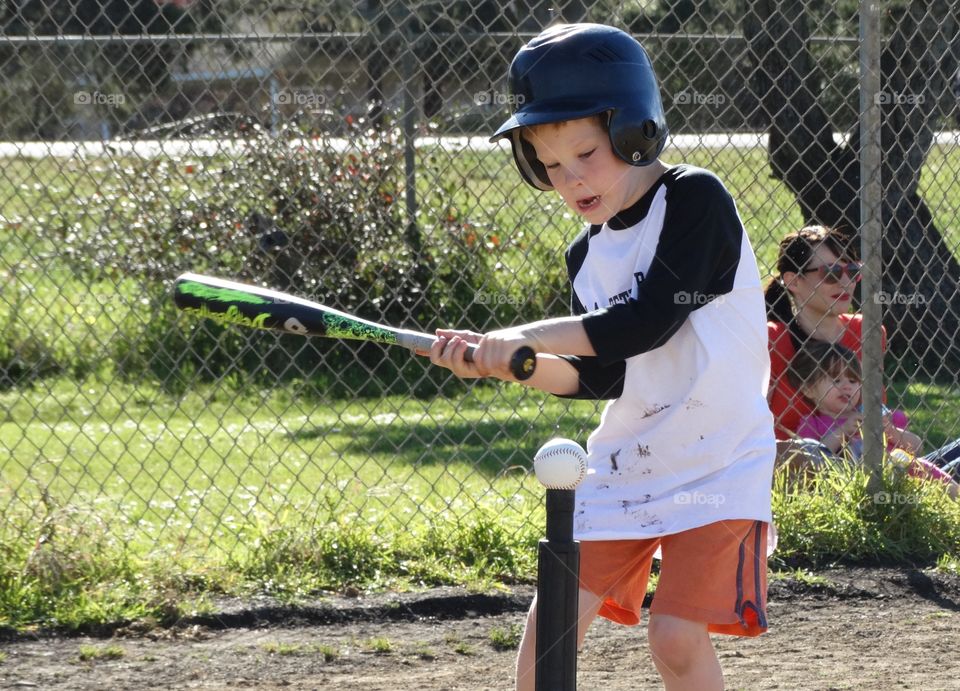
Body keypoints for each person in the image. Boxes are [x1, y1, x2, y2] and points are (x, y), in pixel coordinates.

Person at [423, 24, 776, 691]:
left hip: (721, 458)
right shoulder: (585, 255)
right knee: (548, 629)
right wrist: (511, 363)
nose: (571, 178)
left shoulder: (696, 200)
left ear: (635, 130)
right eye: (551, 165)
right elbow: (601, 375)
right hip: (628, 461)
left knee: (674, 638)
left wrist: (523, 333)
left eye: (585, 152)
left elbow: (642, 324)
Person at [787, 341, 959, 497]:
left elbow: (917, 447)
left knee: (903, 458)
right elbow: (810, 457)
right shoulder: (812, 423)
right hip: (854, 482)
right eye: (836, 380)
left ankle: (952, 493)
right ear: (809, 389)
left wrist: (890, 431)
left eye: (853, 380)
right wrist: (842, 432)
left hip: (899, 473)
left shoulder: (872, 413)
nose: (847, 386)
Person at [764, 225, 873, 440]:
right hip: (791, 468)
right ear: (793, 281)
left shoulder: (866, 331)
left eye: (852, 271)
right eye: (830, 273)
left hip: (864, 464)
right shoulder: (771, 340)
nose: (845, 283)